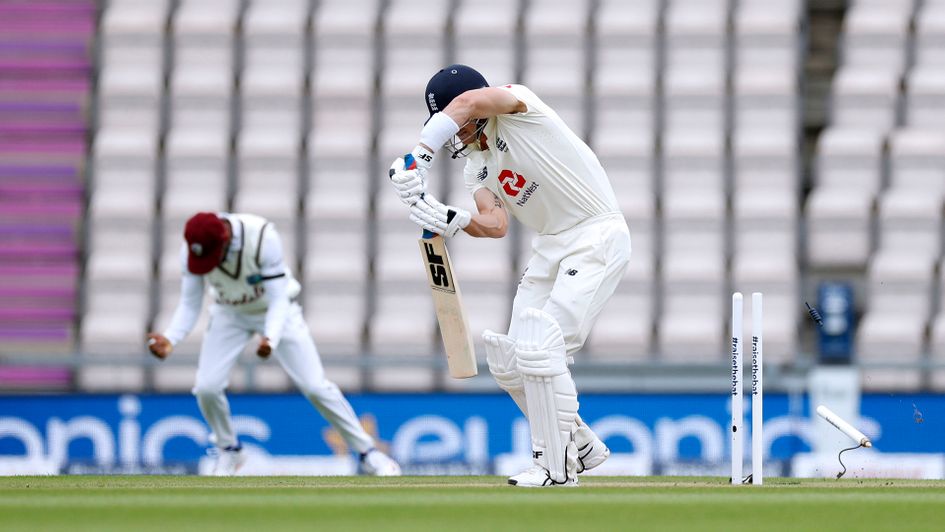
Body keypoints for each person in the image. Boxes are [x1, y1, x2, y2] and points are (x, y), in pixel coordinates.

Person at [388, 65, 632, 487]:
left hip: (596, 235)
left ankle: (555, 470)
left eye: (455, 120)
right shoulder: (477, 167)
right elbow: (495, 224)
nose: (455, 132)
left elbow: (468, 103)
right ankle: (581, 442)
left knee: (542, 347)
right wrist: (451, 217)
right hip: (549, 246)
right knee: (511, 361)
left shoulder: (519, 104)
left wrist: (419, 158)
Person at [147, 212, 401, 477]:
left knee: (315, 386)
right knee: (207, 387)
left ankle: (369, 453)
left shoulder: (261, 237)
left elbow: (278, 299)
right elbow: (190, 303)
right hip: (228, 314)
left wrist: (271, 335)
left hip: (278, 312)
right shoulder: (192, 249)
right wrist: (171, 338)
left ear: (225, 238)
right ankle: (229, 451)